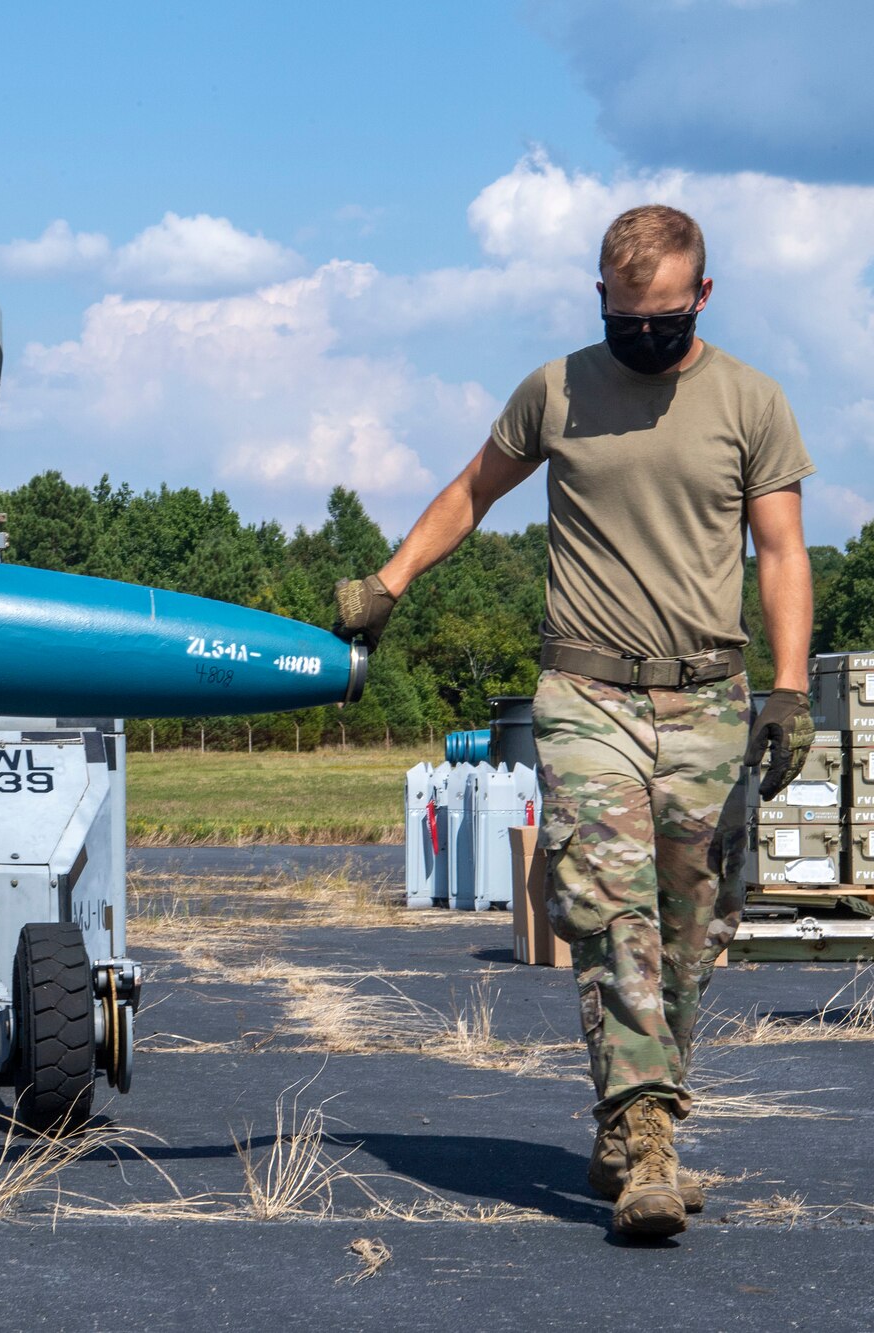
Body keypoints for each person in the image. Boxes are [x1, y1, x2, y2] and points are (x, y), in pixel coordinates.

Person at [333, 205, 814, 1240]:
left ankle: (634, 1111)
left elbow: (779, 550)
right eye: (624, 317)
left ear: (702, 298)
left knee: (693, 926)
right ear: (599, 299)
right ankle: (645, 1140)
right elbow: (471, 491)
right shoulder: (554, 390)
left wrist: (785, 688)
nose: (643, 334)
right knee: (613, 915)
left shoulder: (748, 400)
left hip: (708, 697)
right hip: (584, 695)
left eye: (664, 317)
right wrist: (388, 582)